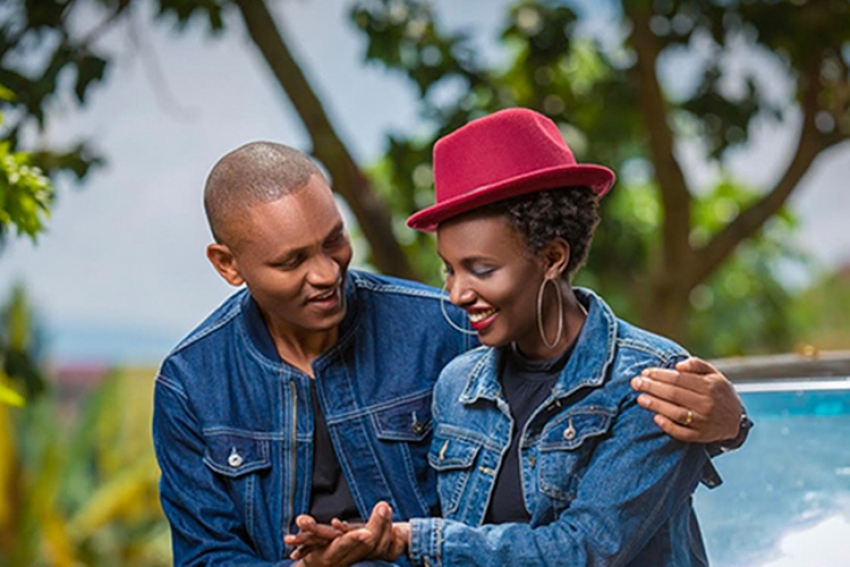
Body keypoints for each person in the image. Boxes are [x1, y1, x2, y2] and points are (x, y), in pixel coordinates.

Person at [152, 140, 749, 566]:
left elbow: (585, 528)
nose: (326, 272)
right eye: (291, 261)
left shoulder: (446, 328)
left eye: (334, 241)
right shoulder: (190, 382)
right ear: (228, 265)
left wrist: (731, 426)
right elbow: (206, 555)